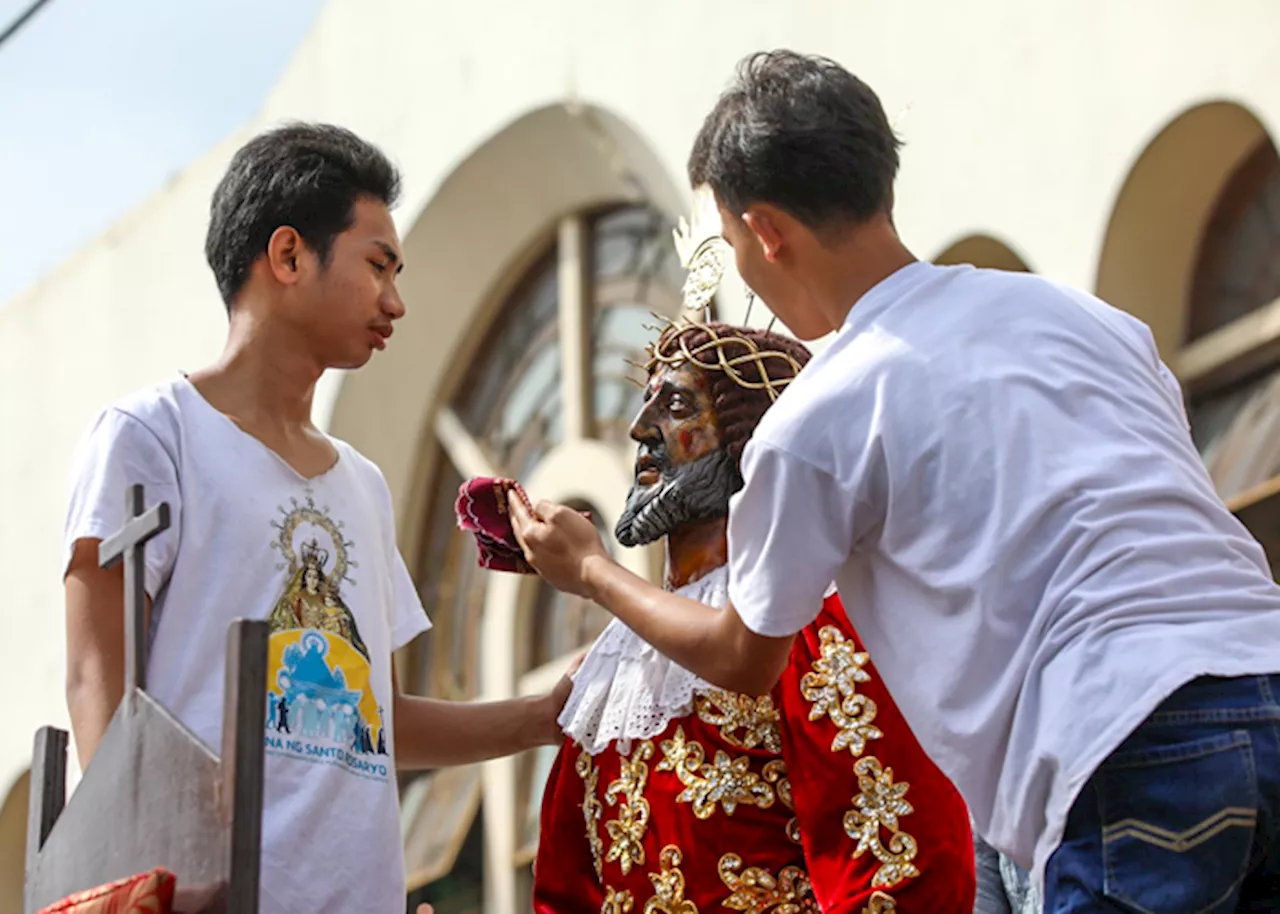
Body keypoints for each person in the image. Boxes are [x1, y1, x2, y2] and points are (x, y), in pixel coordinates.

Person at [507, 50, 1280, 911]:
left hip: (1122, 738)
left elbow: (740, 657)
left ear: (766, 232)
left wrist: (588, 574)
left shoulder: (820, 414)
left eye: (732, 245)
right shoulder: (1082, 317)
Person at [63, 123, 572, 914]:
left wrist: (542, 717)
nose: (395, 302)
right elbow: (97, 677)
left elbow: (379, 718)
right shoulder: (149, 436)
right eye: (378, 266)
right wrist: (136, 886)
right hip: (208, 893)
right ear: (290, 255)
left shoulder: (363, 485)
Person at [530, 317, 976, 913]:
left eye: (678, 406)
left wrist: (592, 572)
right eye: (646, 407)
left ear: (749, 435)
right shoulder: (607, 672)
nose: (641, 430)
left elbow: (898, 858)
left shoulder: (805, 621)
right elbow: (565, 891)